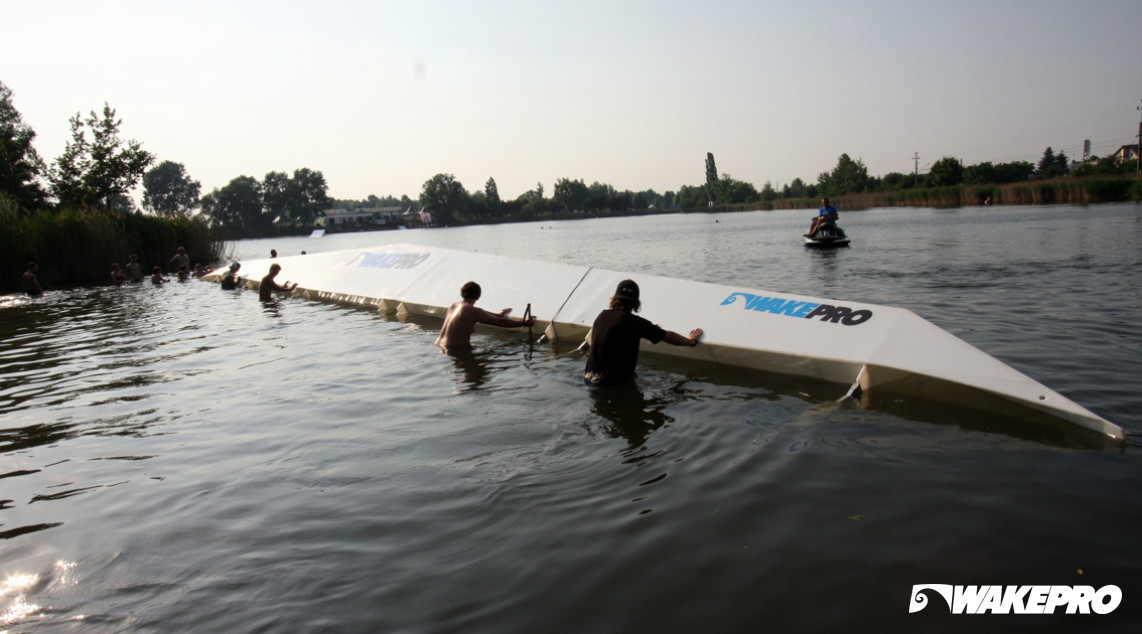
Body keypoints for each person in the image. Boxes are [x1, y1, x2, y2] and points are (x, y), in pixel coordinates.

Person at [583, 279, 703, 386]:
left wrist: (644, 331)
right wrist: (691, 341)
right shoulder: (635, 323)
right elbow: (669, 337)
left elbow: (612, 339)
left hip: (588, 379)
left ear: (615, 299)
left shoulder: (602, 316)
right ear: (636, 303)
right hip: (614, 384)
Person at [435, 281, 536, 349]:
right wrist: (524, 323)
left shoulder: (454, 306)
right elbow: (500, 322)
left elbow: (480, 312)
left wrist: (498, 315)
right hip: (456, 350)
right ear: (478, 296)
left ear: (462, 293)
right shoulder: (472, 310)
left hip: (440, 346)